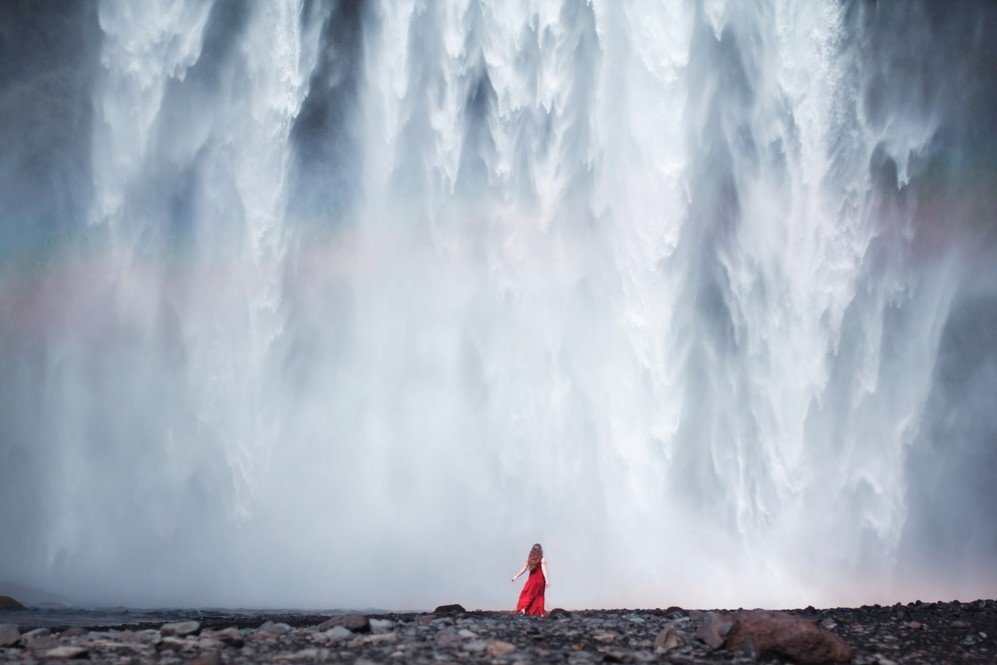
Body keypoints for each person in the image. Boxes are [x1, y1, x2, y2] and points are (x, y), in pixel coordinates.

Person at [511, 543, 548, 616]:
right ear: (540, 550)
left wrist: (516, 576)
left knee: (528, 594)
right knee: (539, 595)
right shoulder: (542, 558)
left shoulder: (530, 558)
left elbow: (524, 568)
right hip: (540, 580)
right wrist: (546, 580)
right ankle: (540, 613)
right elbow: (544, 569)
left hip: (533, 580)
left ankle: (524, 609)